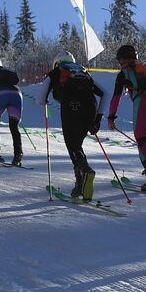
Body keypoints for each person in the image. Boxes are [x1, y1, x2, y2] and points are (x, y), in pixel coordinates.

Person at [38, 52, 104, 199]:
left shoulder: (55, 72)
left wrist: (45, 102)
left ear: (57, 63)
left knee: (72, 146)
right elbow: (104, 93)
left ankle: (86, 172)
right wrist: (98, 119)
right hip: (90, 108)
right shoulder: (83, 71)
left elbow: (40, 99)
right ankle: (80, 184)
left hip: (70, 108)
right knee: (77, 146)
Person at [106, 44, 146, 191]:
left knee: (141, 142)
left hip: (143, 105)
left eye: (120, 61)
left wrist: (111, 117)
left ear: (123, 60)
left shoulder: (124, 74)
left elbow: (116, 98)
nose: (120, 64)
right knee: (145, 140)